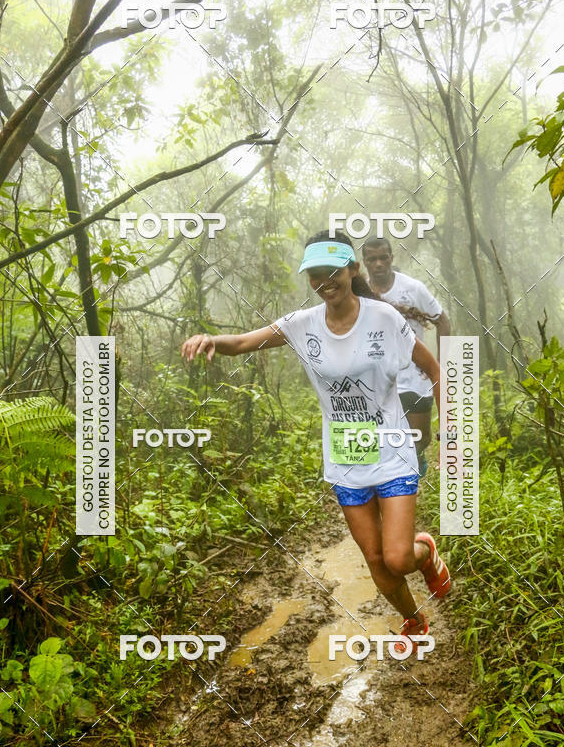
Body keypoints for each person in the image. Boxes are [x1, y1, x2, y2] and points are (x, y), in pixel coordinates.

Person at [181, 230, 450, 650]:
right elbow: (245, 342)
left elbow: (431, 366)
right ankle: (413, 620)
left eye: (333, 271)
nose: (324, 281)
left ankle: (424, 552)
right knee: (375, 559)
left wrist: (450, 416)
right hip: (346, 457)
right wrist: (211, 340)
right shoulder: (302, 325)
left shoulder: (383, 317)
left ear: (351, 270)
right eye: (315, 275)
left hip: (392, 450)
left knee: (398, 557)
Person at [362, 237, 451, 477]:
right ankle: (393, 483)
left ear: (391, 258)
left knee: (420, 438)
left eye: (383, 257)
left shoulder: (413, 288)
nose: (378, 263)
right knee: (383, 441)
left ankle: (417, 456)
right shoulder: (360, 294)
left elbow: (442, 320)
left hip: (415, 377)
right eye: (372, 259)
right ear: (365, 263)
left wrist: (439, 364)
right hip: (379, 380)